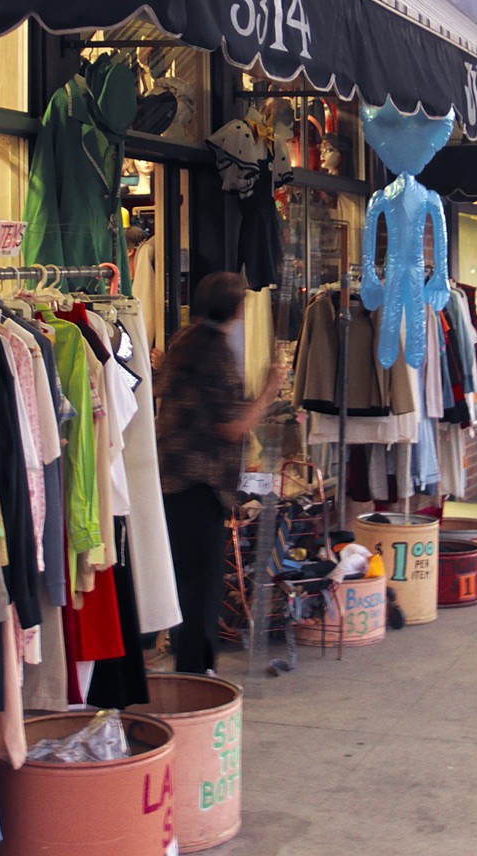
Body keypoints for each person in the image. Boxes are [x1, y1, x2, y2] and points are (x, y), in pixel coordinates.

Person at [156, 271, 284, 674]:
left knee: (183, 578)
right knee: (203, 583)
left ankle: (188, 663)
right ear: (236, 308)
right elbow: (232, 426)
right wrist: (268, 391)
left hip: (172, 479)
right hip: (201, 482)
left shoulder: (185, 342)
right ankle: (197, 672)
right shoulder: (216, 353)